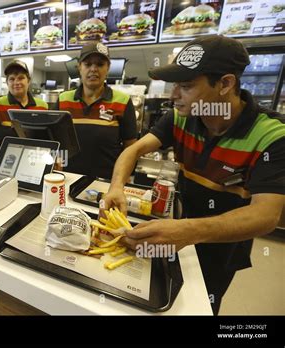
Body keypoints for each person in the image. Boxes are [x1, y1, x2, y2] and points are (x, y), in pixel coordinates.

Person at [101, 35, 285, 315]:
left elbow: (266, 215)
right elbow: (133, 150)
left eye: (186, 86)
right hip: (176, 231)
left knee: (198, 307)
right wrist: (117, 186)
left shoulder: (272, 135)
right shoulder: (180, 117)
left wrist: (188, 231)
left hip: (221, 246)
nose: (174, 96)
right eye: (176, 85)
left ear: (225, 84)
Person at [56, 43, 137, 179]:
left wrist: (121, 179)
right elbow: (53, 139)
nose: (93, 69)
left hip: (106, 181)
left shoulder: (122, 101)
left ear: (108, 68)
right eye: (88, 64)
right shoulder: (63, 100)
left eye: (100, 64)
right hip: (67, 178)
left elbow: (130, 147)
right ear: (79, 68)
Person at [0, 60, 48, 159]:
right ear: (7, 82)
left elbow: (48, 137)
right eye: (12, 79)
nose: (16, 82)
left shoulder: (42, 106)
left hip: (34, 159)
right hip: (5, 160)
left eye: (21, 78)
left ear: (28, 80)